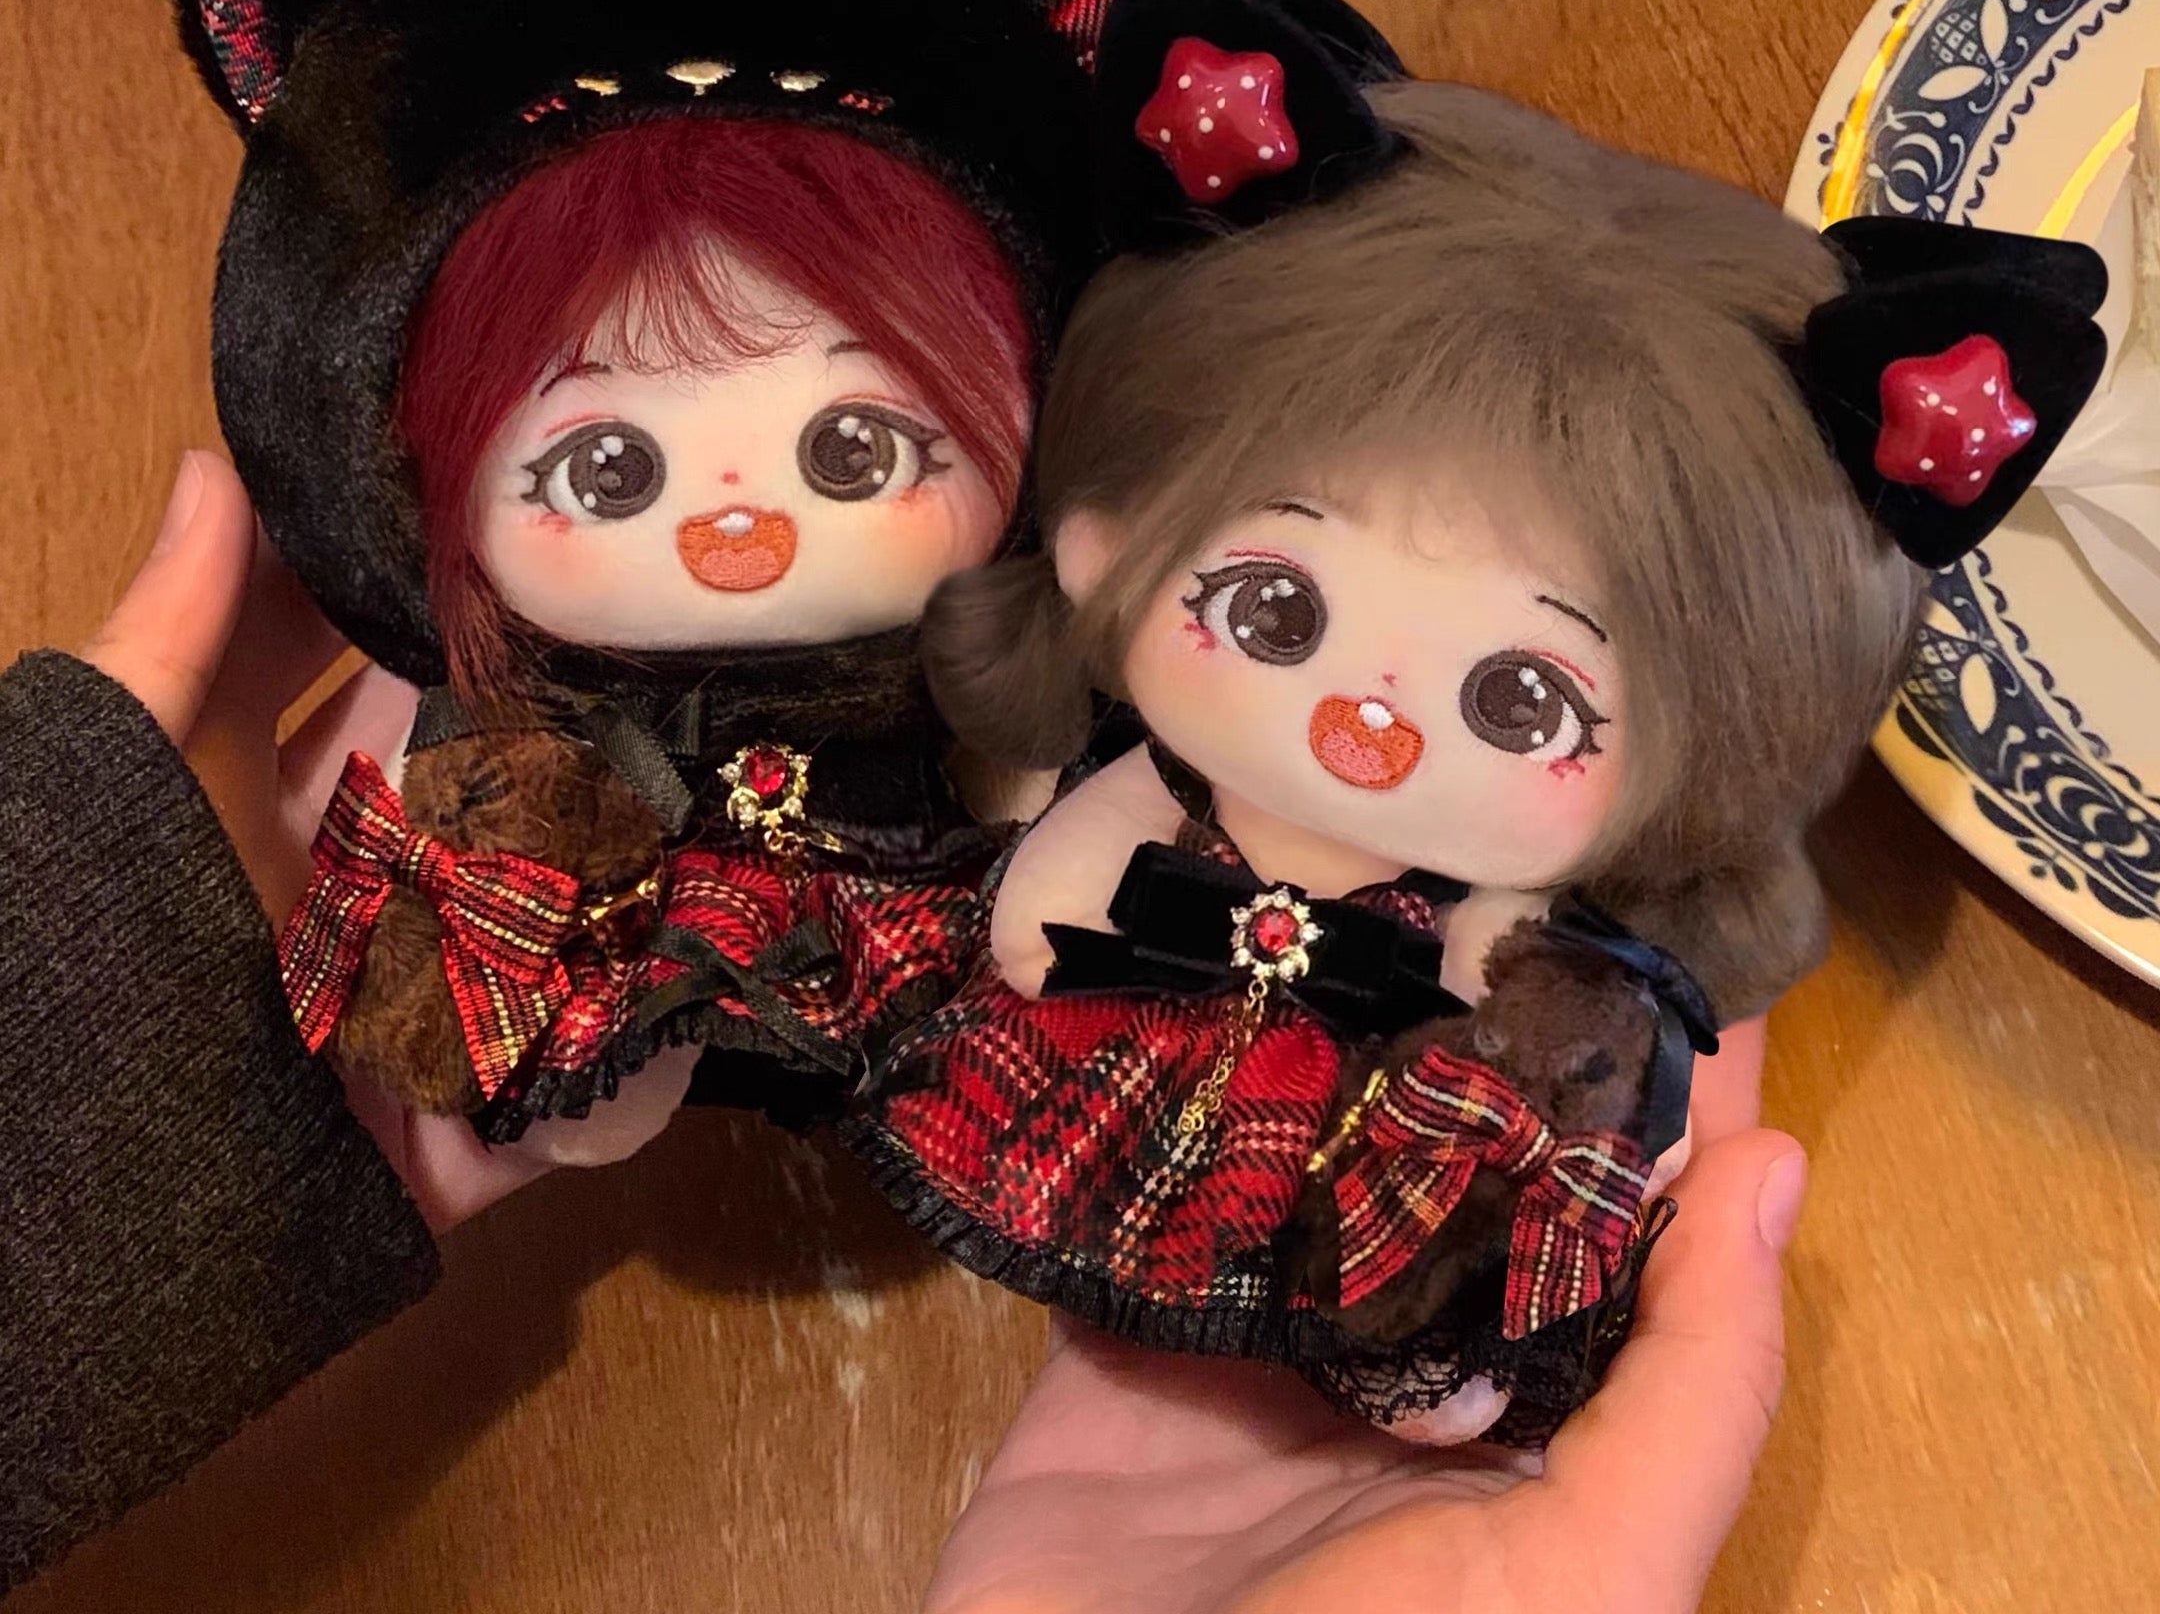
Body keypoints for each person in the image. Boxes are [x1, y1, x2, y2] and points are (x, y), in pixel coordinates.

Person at [2, 451, 1799, 1602]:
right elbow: (1053, 864)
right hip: (856, 912)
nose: (737, 515)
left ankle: (1400, 1330)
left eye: (851, 449)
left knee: (1382, 1199)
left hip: (1268, 1030)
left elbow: (1052, 839)